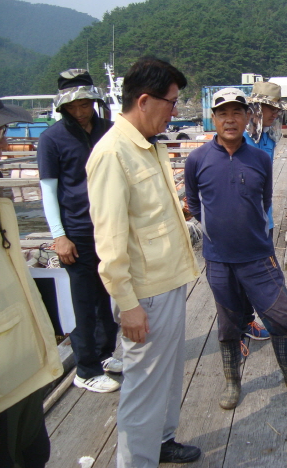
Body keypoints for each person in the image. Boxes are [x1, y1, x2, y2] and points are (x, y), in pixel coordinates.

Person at [86, 56, 201, 467]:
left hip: (169, 279)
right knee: (143, 385)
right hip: (145, 293)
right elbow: (110, 242)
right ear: (145, 100)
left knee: (167, 376)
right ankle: (136, 460)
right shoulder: (112, 154)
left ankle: (163, 440)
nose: (175, 111)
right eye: (172, 103)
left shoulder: (146, 145)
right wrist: (128, 304)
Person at [184, 87, 287, 411]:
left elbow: (265, 201)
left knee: (282, 316)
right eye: (223, 113)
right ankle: (233, 381)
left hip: (259, 257)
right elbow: (193, 203)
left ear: (248, 117)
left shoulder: (261, 157)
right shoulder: (197, 160)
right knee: (228, 324)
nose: (230, 119)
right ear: (214, 119)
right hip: (219, 261)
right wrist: (216, 230)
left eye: (237, 112)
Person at [37, 69, 122, 394]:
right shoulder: (52, 139)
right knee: (83, 301)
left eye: (86, 101)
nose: (81, 108)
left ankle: (103, 355)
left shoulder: (107, 130)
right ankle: (85, 369)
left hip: (108, 228)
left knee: (106, 294)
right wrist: (59, 235)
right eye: (74, 103)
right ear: (63, 106)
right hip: (76, 232)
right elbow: (48, 190)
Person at [0, 100, 64, 468]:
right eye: (1, 133)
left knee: (34, 451)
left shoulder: (2, 201)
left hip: (22, 361)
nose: (4, 143)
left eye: (4, 133)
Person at [237, 81, 287, 342]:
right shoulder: (239, 138)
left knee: (266, 273)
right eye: (270, 109)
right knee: (243, 276)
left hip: (264, 219)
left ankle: (260, 319)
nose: (275, 114)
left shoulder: (269, 139)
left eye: (277, 110)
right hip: (242, 221)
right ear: (256, 109)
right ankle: (244, 322)